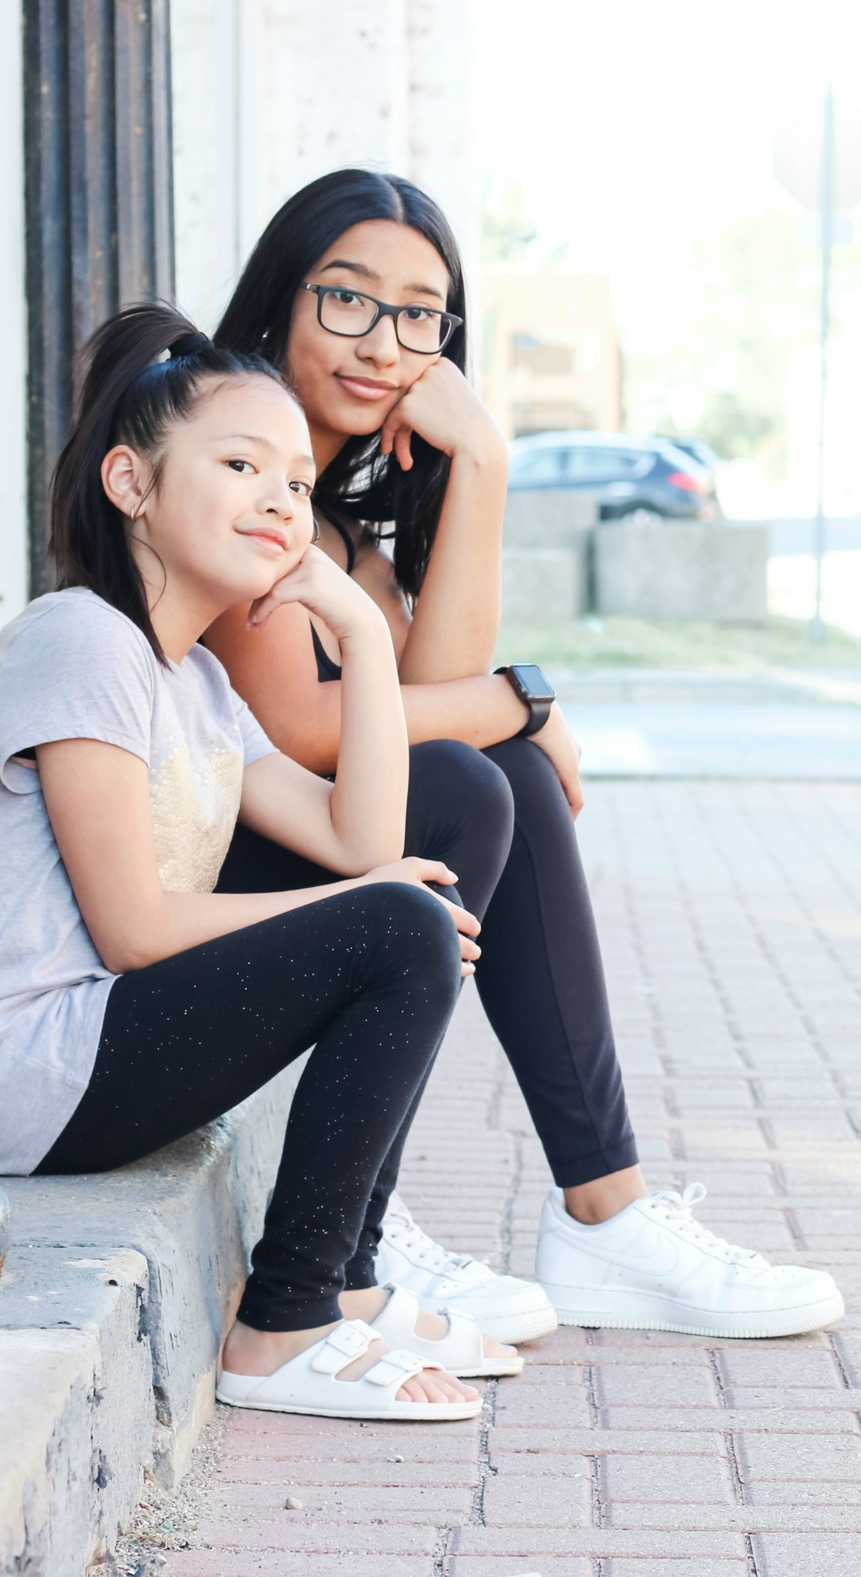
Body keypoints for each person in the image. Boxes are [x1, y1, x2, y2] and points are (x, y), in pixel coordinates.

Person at [207, 168, 845, 1342]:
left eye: (419, 316)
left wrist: (486, 462)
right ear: (278, 305)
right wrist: (523, 702)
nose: (383, 342)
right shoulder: (227, 467)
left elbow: (429, 688)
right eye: (346, 299)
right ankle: (396, 1220)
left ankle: (604, 1211)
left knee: (487, 770)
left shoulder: (337, 522)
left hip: (285, 853)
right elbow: (309, 729)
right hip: (160, 906)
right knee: (464, 775)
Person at [0, 302, 528, 1422]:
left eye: (295, 481)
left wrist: (364, 636)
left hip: (79, 1043)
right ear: (131, 484)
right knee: (399, 922)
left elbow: (362, 839)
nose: (281, 499)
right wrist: (368, 899)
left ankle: (349, 1275)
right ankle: (285, 1323)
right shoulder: (79, 638)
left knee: (430, 849)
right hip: (1, 1073)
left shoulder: (197, 683)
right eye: (240, 464)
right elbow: (135, 923)